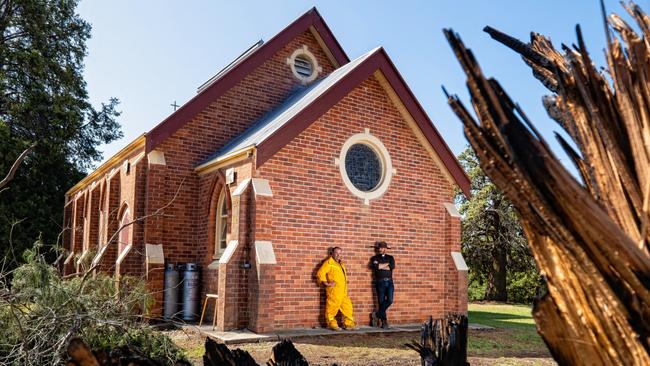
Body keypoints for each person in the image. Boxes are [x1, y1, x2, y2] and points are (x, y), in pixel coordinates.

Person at [316, 246, 356, 331]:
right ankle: (331, 324)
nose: (338, 255)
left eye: (340, 253)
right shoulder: (329, 263)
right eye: (336, 253)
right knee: (332, 308)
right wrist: (326, 283)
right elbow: (320, 273)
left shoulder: (341, 264)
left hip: (343, 291)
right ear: (332, 253)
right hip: (334, 291)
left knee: (348, 307)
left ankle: (348, 324)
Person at [370, 241, 395, 329]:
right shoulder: (374, 258)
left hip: (389, 282)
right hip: (379, 282)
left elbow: (392, 267)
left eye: (382, 248)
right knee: (381, 302)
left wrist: (382, 265)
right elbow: (377, 267)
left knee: (390, 300)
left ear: (385, 249)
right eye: (379, 248)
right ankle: (384, 322)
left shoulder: (390, 257)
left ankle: (377, 313)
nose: (380, 249)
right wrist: (386, 264)